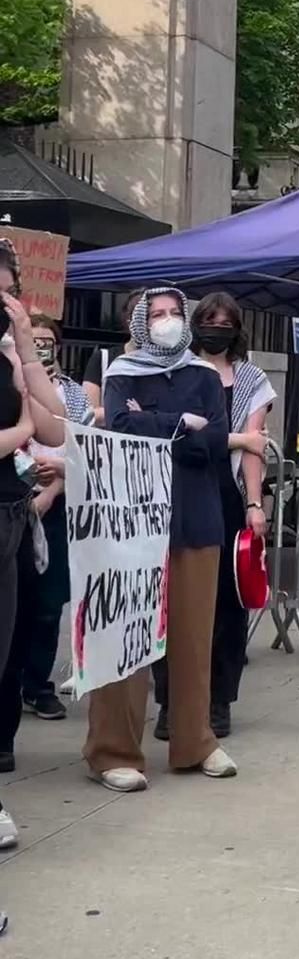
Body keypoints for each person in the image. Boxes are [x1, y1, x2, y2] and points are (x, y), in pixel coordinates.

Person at [84, 287, 234, 792]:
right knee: (127, 639)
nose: (168, 321)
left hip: (195, 519)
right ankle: (113, 751)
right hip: (133, 524)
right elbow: (122, 427)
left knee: (193, 638)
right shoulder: (121, 372)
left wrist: (158, 425)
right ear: (141, 323)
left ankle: (195, 743)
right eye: (159, 314)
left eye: (176, 313)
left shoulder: (206, 376)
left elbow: (214, 441)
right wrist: (181, 425)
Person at [153, 292, 274, 742]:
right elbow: (168, 432)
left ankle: (219, 700)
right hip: (174, 491)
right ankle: (170, 701)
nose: (216, 328)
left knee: (227, 603)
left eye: (226, 322)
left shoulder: (251, 379)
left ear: (237, 328)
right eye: (209, 320)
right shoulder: (171, 370)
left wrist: (255, 504)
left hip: (226, 495)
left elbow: (255, 446)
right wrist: (235, 438)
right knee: (172, 599)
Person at [0, 316, 93, 771]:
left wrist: (24, 355)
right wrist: (20, 431)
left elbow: (59, 434)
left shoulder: (19, 366)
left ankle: (8, 733)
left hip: (24, 513)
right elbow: (29, 433)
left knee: (25, 622)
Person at [0, 239, 68, 852]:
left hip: (8, 518)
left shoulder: (10, 355)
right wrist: (18, 431)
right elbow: (28, 431)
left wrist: (24, 345)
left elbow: (53, 425)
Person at [82, 289, 145, 426]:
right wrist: (128, 414)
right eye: (138, 318)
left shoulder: (168, 364)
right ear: (129, 320)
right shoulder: (102, 358)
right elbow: (87, 413)